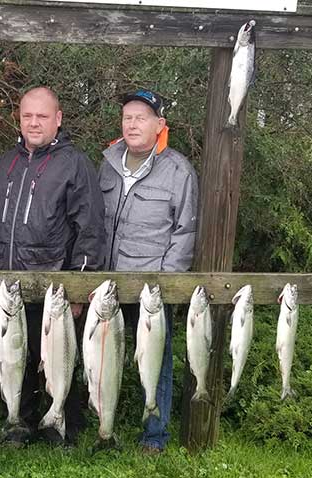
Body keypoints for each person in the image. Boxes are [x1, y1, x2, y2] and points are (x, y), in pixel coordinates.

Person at [0, 86, 106, 445]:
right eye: (27, 116)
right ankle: (18, 424)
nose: (34, 123)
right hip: (8, 286)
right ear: (19, 118)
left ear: (58, 119)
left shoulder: (74, 163)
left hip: (54, 288)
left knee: (55, 360)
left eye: (42, 116)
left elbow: (90, 226)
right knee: (15, 360)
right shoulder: (4, 164)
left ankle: (62, 425)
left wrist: (81, 284)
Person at [98, 88, 198, 454]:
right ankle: (103, 423)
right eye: (127, 117)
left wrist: (164, 285)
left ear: (160, 125)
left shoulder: (178, 170)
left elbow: (185, 232)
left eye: (141, 117)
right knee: (103, 357)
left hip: (149, 290)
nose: (132, 123)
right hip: (108, 285)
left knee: (155, 360)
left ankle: (154, 434)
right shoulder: (107, 162)